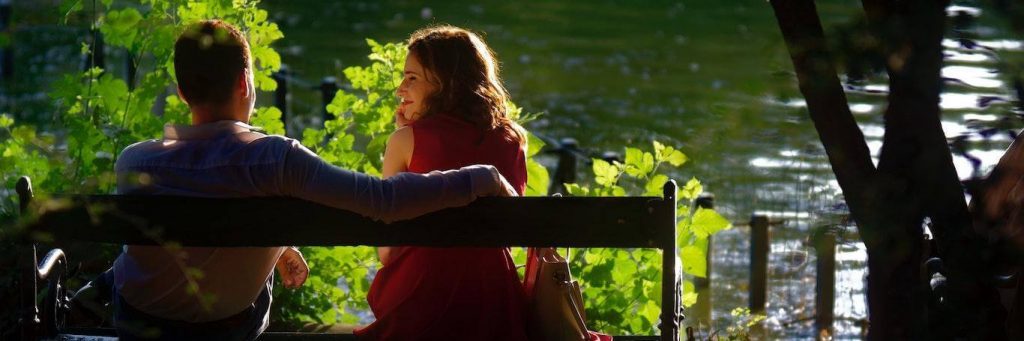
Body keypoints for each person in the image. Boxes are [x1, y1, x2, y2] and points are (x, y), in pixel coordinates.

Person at [107, 20, 517, 340]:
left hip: (138, 325)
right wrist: (480, 177)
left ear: (181, 91)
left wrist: (280, 243)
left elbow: (205, 188)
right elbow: (383, 200)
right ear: (245, 83)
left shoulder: (134, 161)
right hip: (225, 330)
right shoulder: (274, 159)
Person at [355, 25, 529, 340]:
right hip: (492, 302)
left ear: (445, 83)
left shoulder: (406, 140)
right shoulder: (513, 138)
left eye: (411, 78)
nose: (399, 89)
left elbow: (387, 253)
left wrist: (408, 135)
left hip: (422, 302)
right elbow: (510, 231)